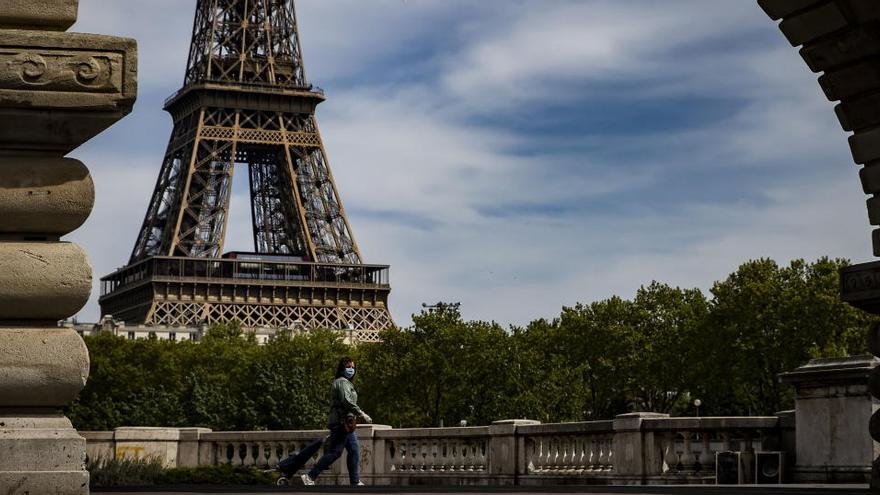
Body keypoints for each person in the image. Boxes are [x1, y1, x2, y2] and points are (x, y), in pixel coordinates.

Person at [301, 357, 372, 486]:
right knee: (336, 452)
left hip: (346, 423)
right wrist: (361, 413)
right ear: (342, 368)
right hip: (341, 423)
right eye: (348, 367)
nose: (351, 370)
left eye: (353, 367)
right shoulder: (342, 382)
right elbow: (346, 401)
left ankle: (355, 481)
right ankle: (310, 476)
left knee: (354, 450)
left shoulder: (346, 383)